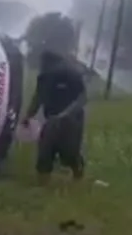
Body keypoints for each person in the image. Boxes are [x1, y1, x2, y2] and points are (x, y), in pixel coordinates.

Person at [23, 49, 86, 183]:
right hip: (52, 118)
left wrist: (66, 114)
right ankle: (43, 181)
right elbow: (38, 97)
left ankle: (77, 175)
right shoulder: (44, 77)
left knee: (70, 152)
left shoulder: (72, 74)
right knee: (45, 149)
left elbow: (82, 98)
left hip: (72, 119)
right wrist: (28, 115)